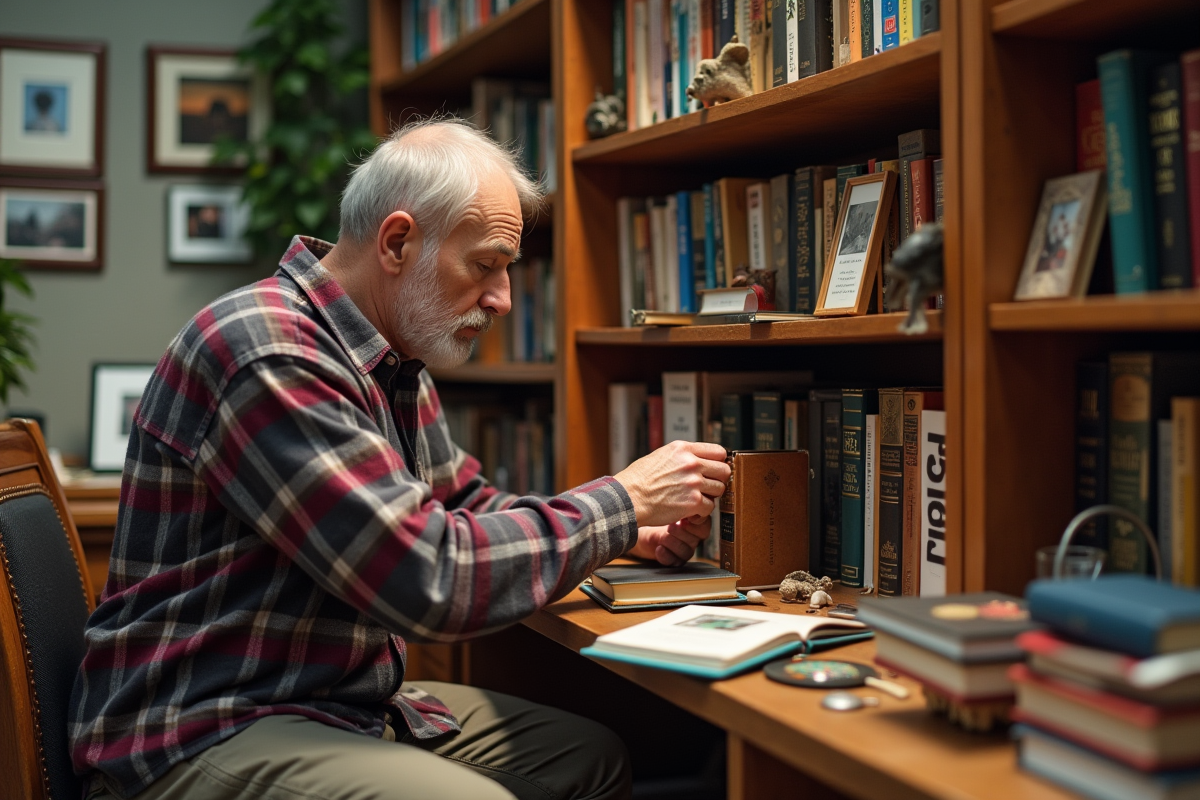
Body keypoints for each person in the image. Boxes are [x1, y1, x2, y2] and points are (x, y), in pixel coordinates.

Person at [69, 119, 730, 800]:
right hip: (200, 726)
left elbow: (468, 505)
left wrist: (627, 533)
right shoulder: (270, 352)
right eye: (486, 265)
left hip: (332, 701)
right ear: (396, 242)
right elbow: (430, 577)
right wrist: (621, 502)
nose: (503, 298)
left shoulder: (389, 357)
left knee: (588, 760)